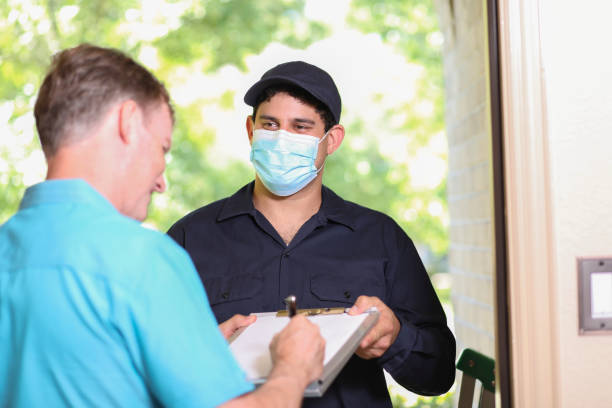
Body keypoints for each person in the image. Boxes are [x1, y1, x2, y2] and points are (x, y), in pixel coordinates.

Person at [0, 44, 326, 408]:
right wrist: (292, 369)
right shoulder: (142, 260)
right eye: (162, 149)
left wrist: (194, 351)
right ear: (128, 122)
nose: (161, 182)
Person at [167, 61, 456, 407]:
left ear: (331, 140)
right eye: (270, 125)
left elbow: (438, 375)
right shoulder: (189, 239)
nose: (281, 139)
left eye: (300, 127)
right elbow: (150, 367)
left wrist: (395, 338)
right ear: (250, 130)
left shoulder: (381, 239)